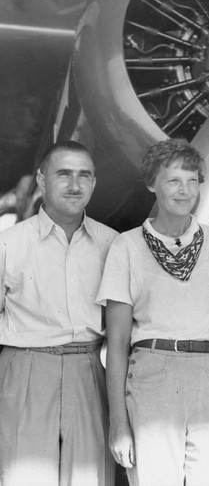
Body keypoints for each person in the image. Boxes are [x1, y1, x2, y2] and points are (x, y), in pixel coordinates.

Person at [97, 138, 209, 486]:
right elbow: (118, 341)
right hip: (152, 374)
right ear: (152, 184)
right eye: (173, 181)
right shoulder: (127, 246)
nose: (184, 191)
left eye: (192, 181)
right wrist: (118, 421)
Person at [0, 141, 117, 486]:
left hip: (89, 370)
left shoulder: (114, 245)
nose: (74, 184)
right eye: (63, 174)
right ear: (41, 179)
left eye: (84, 175)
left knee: (90, 477)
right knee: (24, 475)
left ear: (94, 183)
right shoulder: (8, 244)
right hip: (26, 368)